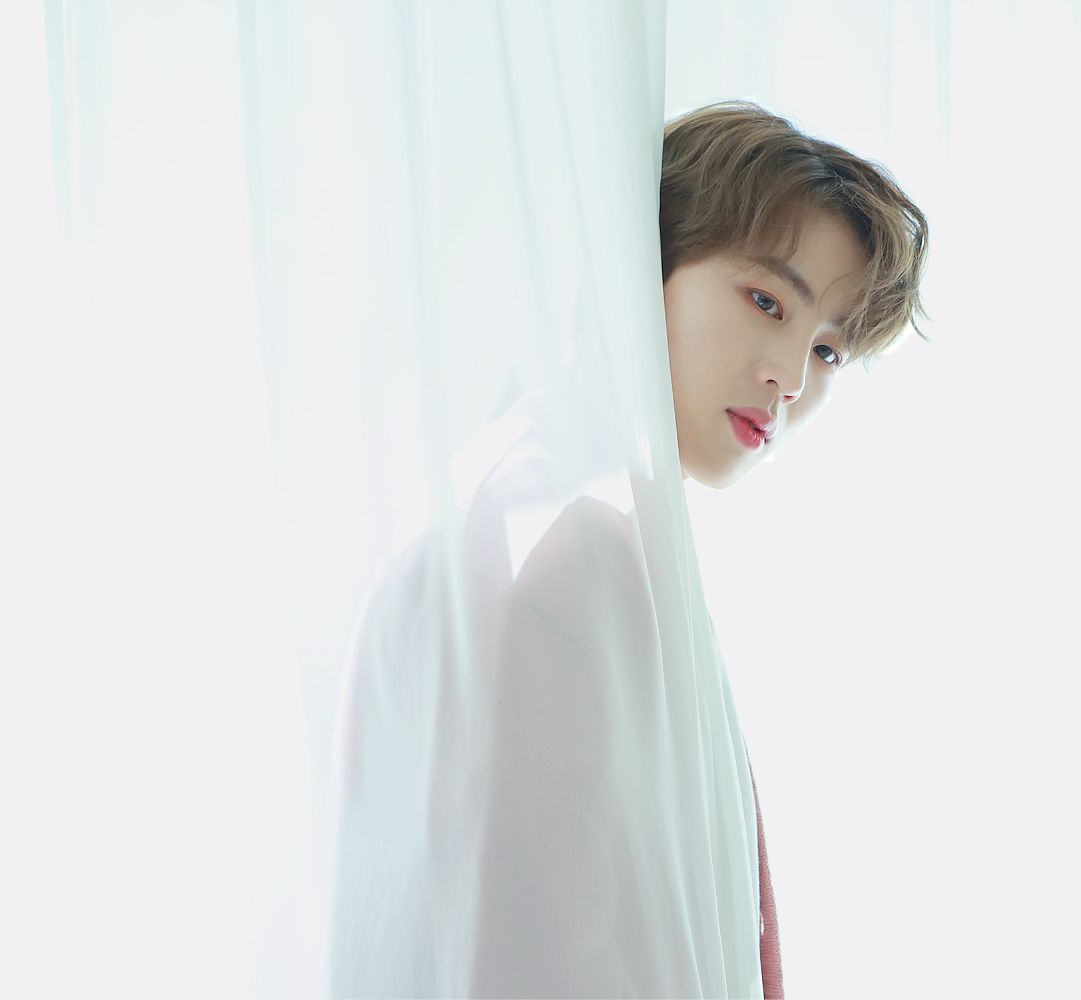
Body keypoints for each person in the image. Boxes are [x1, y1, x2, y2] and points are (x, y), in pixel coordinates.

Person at [329, 101, 927, 999]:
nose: (790, 377)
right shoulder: (570, 539)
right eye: (766, 302)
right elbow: (542, 958)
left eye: (829, 351)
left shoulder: (525, 487)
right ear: (641, 267)